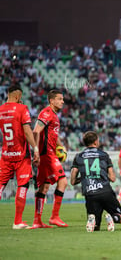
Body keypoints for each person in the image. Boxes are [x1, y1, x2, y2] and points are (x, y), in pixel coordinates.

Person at [0, 85, 40, 229]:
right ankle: (17, 222)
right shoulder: (22, 109)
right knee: (22, 185)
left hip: (6, 154)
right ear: (17, 96)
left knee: (0, 185)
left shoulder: (1, 110)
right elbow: (28, 132)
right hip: (22, 155)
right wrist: (35, 148)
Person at [70, 131, 121, 232]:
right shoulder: (104, 155)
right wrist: (101, 176)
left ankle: (92, 220)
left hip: (90, 194)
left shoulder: (78, 156)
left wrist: (85, 177)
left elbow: (72, 181)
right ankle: (112, 218)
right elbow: (112, 178)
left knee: (96, 227)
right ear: (95, 142)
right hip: (105, 192)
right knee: (119, 217)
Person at [30, 89, 69, 229]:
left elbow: (52, 134)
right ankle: (54, 217)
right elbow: (36, 131)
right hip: (47, 154)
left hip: (49, 153)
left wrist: (62, 146)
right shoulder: (46, 113)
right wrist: (36, 151)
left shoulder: (54, 115)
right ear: (52, 101)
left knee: (44, 187)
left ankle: (37, 220)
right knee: (63, 182)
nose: (62, 101)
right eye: (60, 99)